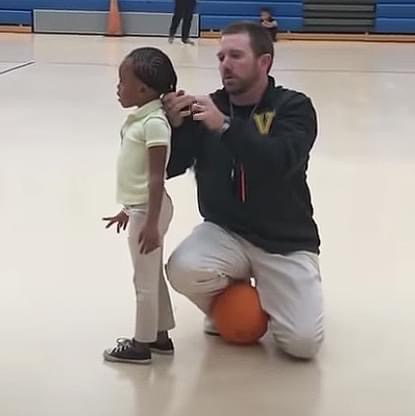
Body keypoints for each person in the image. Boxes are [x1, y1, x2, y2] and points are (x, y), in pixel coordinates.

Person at [162, 22, 324, 360]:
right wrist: (173, 129)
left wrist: (224, 126)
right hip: (226, 231)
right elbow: (169, 168)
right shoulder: (206, 108)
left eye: (236, 55)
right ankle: (232, 300)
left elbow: (278, 161)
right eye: (221, 56)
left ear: (264, 62)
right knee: (183, 267)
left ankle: (274, 293)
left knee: (302, 345)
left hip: (284, 242)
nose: (225, 64)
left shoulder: (294, 108)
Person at [102, 47, 177, 365]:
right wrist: (127, 209)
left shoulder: (155, 124)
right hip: (141, 208)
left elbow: (156, 179)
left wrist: (149, 222)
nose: (118, 87)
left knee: (142, 281)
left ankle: (140, 344)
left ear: (144, 89)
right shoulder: (141, 118)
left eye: (123, 82)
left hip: (151, 210)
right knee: (152, 275)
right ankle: (160, 335)